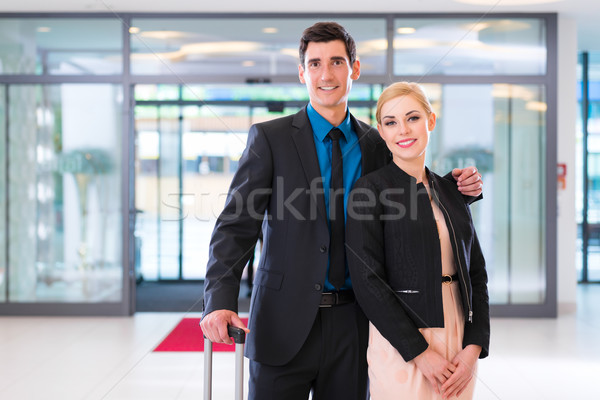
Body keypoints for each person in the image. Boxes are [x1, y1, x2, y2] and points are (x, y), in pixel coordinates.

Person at [200, 22, 483, 400]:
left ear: (355, 69)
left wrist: (453, 188)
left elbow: (409, 192)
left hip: (355, 325)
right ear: (302, 73)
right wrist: (218, 302)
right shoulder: (271, 139)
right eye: (314, 64)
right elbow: (235, 226)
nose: (326, 74)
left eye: (336, 61)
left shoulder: (377, 144)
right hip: (282, 324)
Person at [346, 82, 490, 400]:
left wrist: (473, 347)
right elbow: (368, 282)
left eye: (412, 118)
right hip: (401, 339)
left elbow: (476, 275)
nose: (403, 130)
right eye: (391, 122)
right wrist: (420, 353)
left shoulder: (452, 191)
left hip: (458, 335)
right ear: (382, 133)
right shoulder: (369, 191)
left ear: (431, 121)